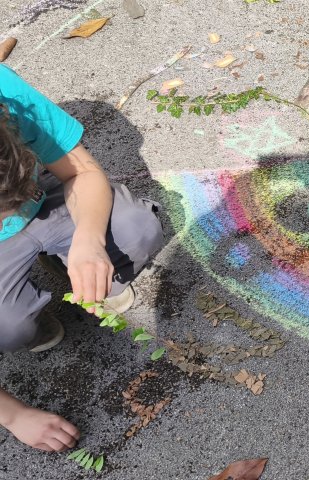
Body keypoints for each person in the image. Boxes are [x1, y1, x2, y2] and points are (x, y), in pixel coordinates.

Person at [0, 65, 163, 451]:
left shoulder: (6, 94)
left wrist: (89, 240)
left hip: (41, 199)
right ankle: (27, 322)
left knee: (135, 229)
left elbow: (81, 171)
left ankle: (68, 261)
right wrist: (13, 416)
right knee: (8, 326)